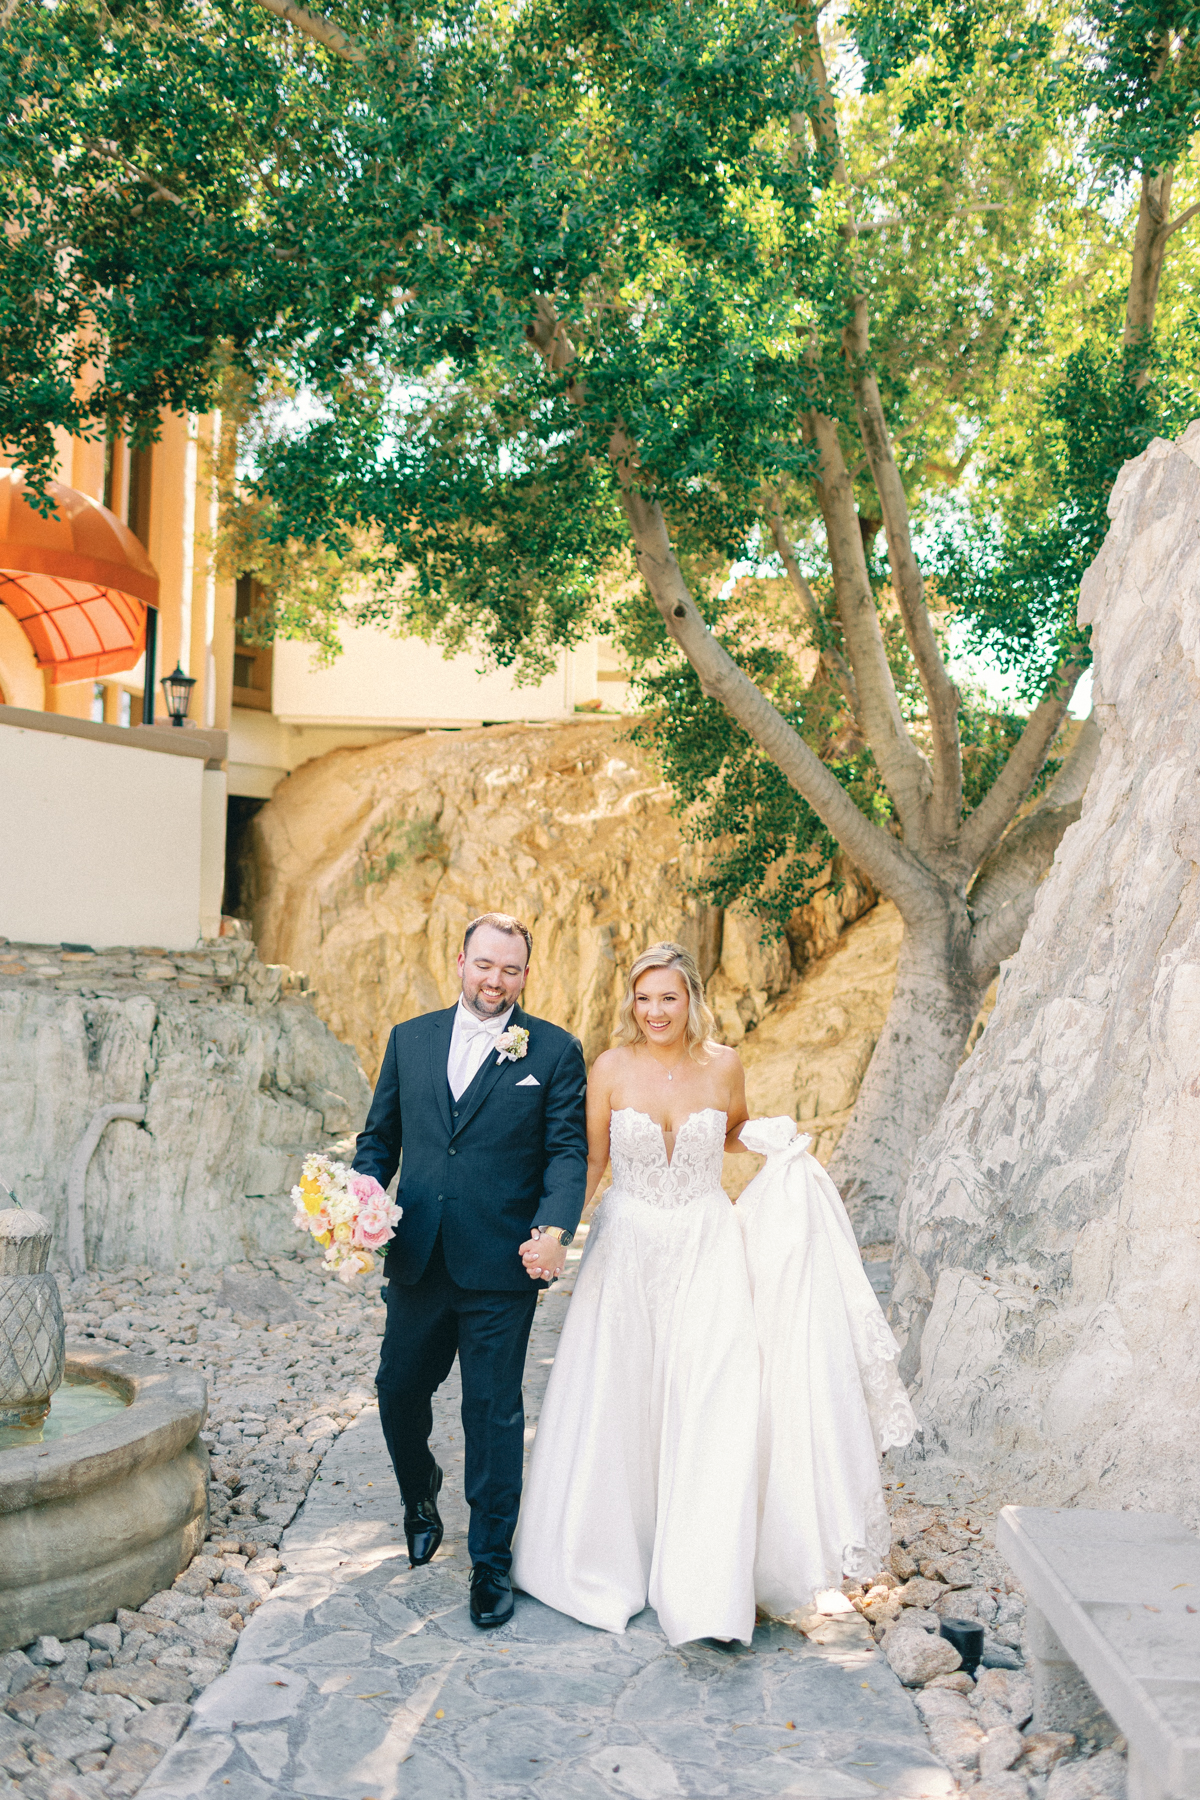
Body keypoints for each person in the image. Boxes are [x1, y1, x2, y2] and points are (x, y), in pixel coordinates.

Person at [512, 940, 915, 1647]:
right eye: (644, 998)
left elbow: (727, 1131)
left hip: (706, 1244)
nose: (655, 1011)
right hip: (628, 1251)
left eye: (668, 997)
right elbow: (594, 1162)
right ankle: (605, 1556)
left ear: (692, 998)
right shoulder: (609, 1068)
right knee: (621, 1397)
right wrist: (554, 1233)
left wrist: (768, 1141)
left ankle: (702, 1579)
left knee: (712, 1401)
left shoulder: (723, 1064)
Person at [352, 911, 587, 1630]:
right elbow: (379, 1139)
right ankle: (419, 1493)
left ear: (525, 974)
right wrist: (360, 1196)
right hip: (418, 1257)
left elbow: (566, 1153)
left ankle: (490, 1560)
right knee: (397, 1389)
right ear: (460, 961)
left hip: (501, 1265)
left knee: (492, 1413)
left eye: (510, 970)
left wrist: (553, 1230)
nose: (495, 980)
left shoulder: (554, 1050)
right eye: (484, 965)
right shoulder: (409, 1040)